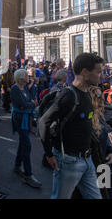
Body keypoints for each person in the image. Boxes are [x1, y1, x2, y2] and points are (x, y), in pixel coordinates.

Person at [40, 53, 105, 199]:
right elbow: (44, 122)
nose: (101, 75)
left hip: (87, 160)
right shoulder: (68, 95)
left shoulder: (88, 93)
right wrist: (49, 154)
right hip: (69, 161)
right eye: (98, 71)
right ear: (85, 72)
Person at [72, 86, 112, 199]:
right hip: (88, 167)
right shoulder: (82, 119)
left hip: (103, 164)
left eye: (102, 97)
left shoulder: (99, 116)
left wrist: (111, 151)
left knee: (107, 192)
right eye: (98, 98)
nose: (102, 101)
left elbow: (104, 139)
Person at [11, 69, 42, 188]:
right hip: (19, 118)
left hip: (25, 117)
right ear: (21, 77)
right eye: (26, 75)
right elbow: (24, 104)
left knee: (23, 142)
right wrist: (32, 104)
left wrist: (30, 103)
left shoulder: (24, 87)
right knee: (26, 144)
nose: (28, 76)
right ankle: (28, 175)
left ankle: (17, 165)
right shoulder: (15, 88)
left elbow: (29, 100)